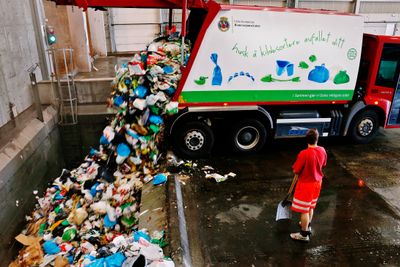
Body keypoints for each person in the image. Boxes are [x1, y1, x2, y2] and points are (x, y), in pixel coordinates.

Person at [290, 128, 327, 242]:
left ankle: (304, 234)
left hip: (306, 184)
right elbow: (324, 164)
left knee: (304, 210)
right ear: (317, 139)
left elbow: (296, 170)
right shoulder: (322, 150)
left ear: (306, 140)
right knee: (310, 206)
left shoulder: (304, 154)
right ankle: (307, 225)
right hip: (317, 183)